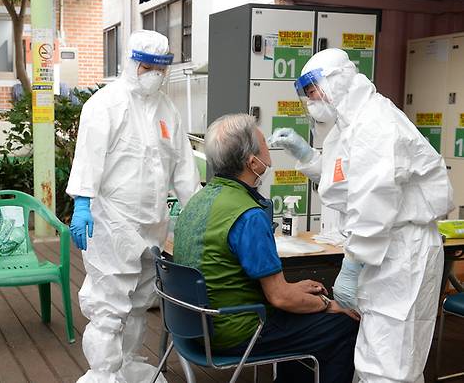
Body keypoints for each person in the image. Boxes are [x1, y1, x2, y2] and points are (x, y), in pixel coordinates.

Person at [269, 48, 453, 383]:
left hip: (401, 252)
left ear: (336, 83)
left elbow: (374, 201)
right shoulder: (352, 122)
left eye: (312, 92)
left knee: (390, 364)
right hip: (384, 250)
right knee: (376, 357)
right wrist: (309, 156)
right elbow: (344, 180)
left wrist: (352, 266)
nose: (311, 102)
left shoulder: (375, 124)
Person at [173, 113, 359, 383]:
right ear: (252, 162)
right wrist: (327, 304)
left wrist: (295, 290)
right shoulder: (248, 214)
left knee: (299, 313)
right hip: (235, 332)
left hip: (194, 327)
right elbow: (280, 299)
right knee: (343, 326)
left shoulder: (199, 200)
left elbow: (250, 283)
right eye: (264, 143)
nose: (268, 150)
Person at [66, 30, 201, 383]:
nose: (154, 73)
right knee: (109, 306)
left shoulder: (167, 109)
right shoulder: (104, 105)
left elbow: (184, 166)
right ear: (130, 63)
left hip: (153, 224)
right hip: (111, 223)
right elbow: (88, 160)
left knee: (141, 302)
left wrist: (198, 210)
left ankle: (128, 365)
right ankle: (105, 373)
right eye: (147, 66)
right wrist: (82, 203)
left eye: (160, 67)